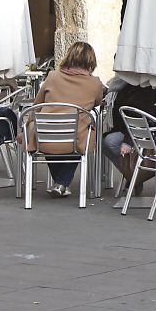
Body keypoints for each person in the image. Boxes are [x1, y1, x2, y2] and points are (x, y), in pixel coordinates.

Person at [27, 42, 104, 198]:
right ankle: (62, 183)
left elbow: (37, 104)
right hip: (75, 139)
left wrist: (26, 126)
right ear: (91, 61)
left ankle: (61, 183)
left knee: (47, 132)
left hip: (45, 137)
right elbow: (97, 102)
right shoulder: (95, 83)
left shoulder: (52, 76)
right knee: (82, 132)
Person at [102, 77, 156, 195]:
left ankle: (134, 175)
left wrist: (127, 141)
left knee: (110, 142)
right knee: (105, 142)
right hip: (128, 129)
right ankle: (133, 175)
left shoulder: (143, 85)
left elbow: (138, 115)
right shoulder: (119, 84)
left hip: (149, 132)